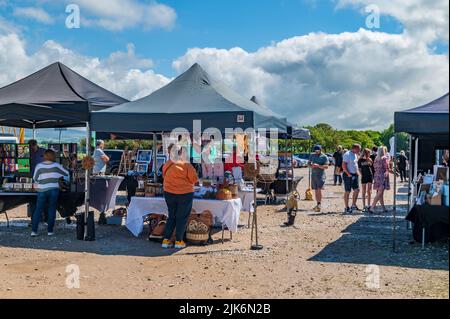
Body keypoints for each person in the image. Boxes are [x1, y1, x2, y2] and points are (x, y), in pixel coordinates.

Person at [161, 144, 199, 249]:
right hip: (184, 193)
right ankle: (179, 241)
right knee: (181, 218)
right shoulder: (186, 164)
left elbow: (164, 176)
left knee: (171, 216)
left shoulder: (167, 164)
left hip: (168, 193)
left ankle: (166, 240)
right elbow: (194, 179)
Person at [31, 149, 69, 237]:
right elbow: (67, 174)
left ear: (45, 156)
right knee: (52, 209)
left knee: (38, 210)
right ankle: (50, 231)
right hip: (54, 190)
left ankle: (34, 231)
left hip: (42, 190)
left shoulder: (39, 166)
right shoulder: (57, 165)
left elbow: (35, 178)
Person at [28, 139, 47, 222]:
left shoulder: (43, 151)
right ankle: (34, 220)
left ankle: (45, 218)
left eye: (32, 146)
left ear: (35, 144)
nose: (32, 148)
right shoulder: (28, 153)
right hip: (33, 180)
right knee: (32, 200)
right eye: (30, 147)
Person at [368, 147, 390, 214]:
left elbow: (374, 167)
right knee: (379, 193)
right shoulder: (384, 158)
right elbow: (386, 167)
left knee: (380, 193)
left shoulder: (376, 158)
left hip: (376, 175)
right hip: (382, 176)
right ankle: (372, 207)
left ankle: (383, 208)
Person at [308, 145, 329, 212]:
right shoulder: (312, 155)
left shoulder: (324, 156)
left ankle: (319, 204)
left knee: (319, 189)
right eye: (315, 151)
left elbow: (326, 166)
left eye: (318, 151)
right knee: (316, 189)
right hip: (314, 175)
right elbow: (308, 163)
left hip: (321, 175)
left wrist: (318, 166)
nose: (316, 152)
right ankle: (318, 204)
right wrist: (311, 166)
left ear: (321, 150)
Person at [342, 144, 361, 214]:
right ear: (354, 148)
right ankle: (347, 207)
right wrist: (348, 174)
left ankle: (353, 205)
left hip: (355, 175)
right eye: (359, 149)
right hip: (348, 175)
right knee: (347, 191)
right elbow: (343, 165)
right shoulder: (347, 154)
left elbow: (355, 164)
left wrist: (357, 172)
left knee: (357, 190)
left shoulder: (355, 154)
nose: (359, 150)